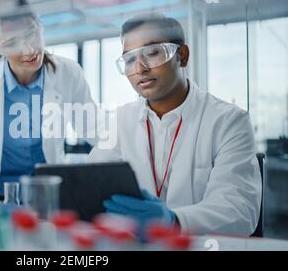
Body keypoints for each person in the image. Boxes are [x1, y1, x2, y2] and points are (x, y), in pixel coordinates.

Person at [89, 13, 261, 236]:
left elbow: (239, 209)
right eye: (130, 59)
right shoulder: (120, 121)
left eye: (152, 53)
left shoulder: (229, 122)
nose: (140, 68)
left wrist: (174, 221)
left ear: (183, 56)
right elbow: (90, 181)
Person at [0, 0, 96, 199]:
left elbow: (95, 130)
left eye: (30, 33)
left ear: (40, 26)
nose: (28, 50)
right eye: (12, 43)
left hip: (45, 194)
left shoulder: (68, 73)